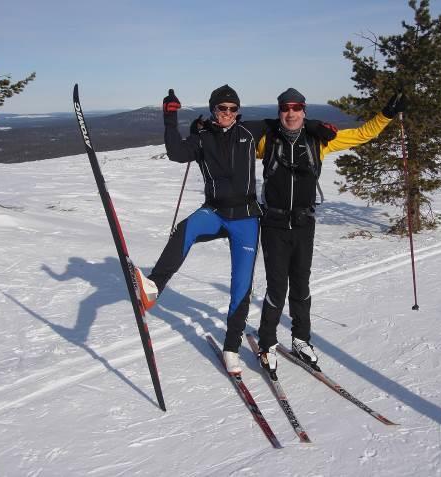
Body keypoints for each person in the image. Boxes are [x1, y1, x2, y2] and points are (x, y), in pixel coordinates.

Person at [134, 85, 337, 375]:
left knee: (241, 287)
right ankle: (154, 286)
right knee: (185, 229)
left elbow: (283, 123)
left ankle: (231, 347)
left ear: (237, 111)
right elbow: (176, 153)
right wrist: (170, 119)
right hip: (215, 212)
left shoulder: (249, 131)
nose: (228, 113)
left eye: (232, 109)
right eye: (222, 108)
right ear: (214, 109)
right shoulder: (201, 138)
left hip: (246, 218)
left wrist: (316, 126)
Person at [254, 87, 405, 374]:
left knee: (301, 286)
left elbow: (362, 134)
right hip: (273, 224)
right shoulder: (266, 141)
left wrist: (385, 115)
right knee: (276, 288)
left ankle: (300, 339)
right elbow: (233, 142)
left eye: (296, 108)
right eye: (285, 108)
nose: (291, 113)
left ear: (304, 111)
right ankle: (267, 344)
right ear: (279, 112)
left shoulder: (317, 140)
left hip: (304, 223)